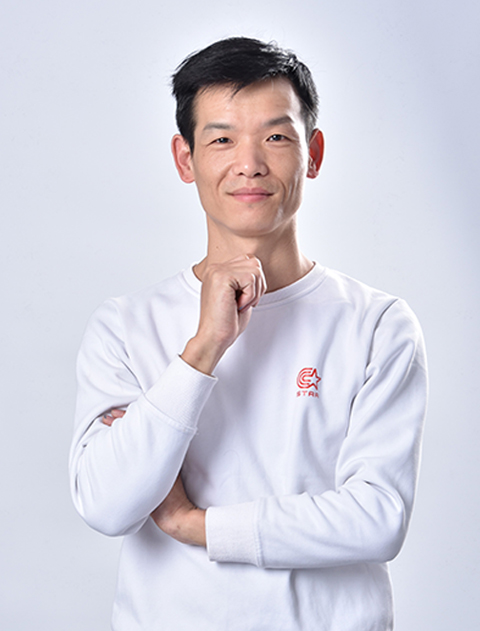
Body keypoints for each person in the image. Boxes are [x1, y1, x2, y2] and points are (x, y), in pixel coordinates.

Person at [70, 37, 427, 631]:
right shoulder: (126, 326)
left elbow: (378, 517)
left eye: (276, 137)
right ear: (185, 160)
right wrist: (203, 348)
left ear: (313, 153)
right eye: (221, 140)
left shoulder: (376, 324)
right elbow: (107, 505)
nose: (250, 164)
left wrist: (197, 526)